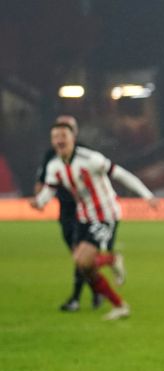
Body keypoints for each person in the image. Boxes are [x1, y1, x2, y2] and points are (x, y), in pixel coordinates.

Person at [30, 121, 158, 320]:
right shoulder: (54, 165)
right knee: (83, 266)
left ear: (73, 139)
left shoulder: (91, 159)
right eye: (55, 137)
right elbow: (50, 189)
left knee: (84, 261)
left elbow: (121, 174)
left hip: (105, 214)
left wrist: (146, 195)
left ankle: (113, 260)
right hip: (84, 216)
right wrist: (39, 202)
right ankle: (120, 305)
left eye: (63, 136)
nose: (59, 140)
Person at [33, 115, 107, 311]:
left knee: (80, 255)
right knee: (78, 256)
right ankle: (96, 291)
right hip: (65, 210)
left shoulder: (84, 153)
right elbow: (42, 180)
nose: (61, 137)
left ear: (74, 132)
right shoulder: (51, 155)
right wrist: (40, 200)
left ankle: (75, 299)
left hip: (86, 211)